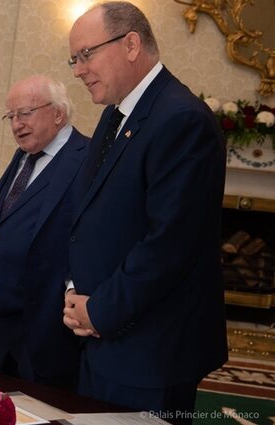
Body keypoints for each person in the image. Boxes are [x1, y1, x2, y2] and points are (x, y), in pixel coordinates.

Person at [63, 2, 227, 421]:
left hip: (151, 349)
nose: (78, 70)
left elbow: (170, 245)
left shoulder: (182, 119)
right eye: (74, 59)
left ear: (131, 43)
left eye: (86, 55)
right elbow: (89, 218)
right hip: (101, 338)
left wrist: (98, 311)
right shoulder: (114, 115)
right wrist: (74, 292)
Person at [0, 76, 87, 390]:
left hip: (46, 329)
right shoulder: (25, 155)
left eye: (25, 113)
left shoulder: (87, 159)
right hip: (1, 326)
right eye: (11, 116)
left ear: (58, 114)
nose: (16, 124)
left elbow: (89, 237)